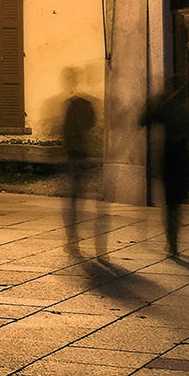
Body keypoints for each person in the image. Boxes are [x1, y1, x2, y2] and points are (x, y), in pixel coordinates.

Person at [141, 74, 189, 258]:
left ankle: (172, 243)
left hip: (170, 156)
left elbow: (143, 120)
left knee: (171, 203)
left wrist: (152, 102)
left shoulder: (167, 104)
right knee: (175, 204)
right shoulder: (183, 105)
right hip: (180, 157)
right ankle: (173, 241)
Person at [60, 68, 105, 260]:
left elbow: (65, 129)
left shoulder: (70, 104)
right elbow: (92, 124)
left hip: (74, 153)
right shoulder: (87, 103)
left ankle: (73, 238)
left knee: (73, 200)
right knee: (80, 198)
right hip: (82, 152)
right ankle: (87, 242)